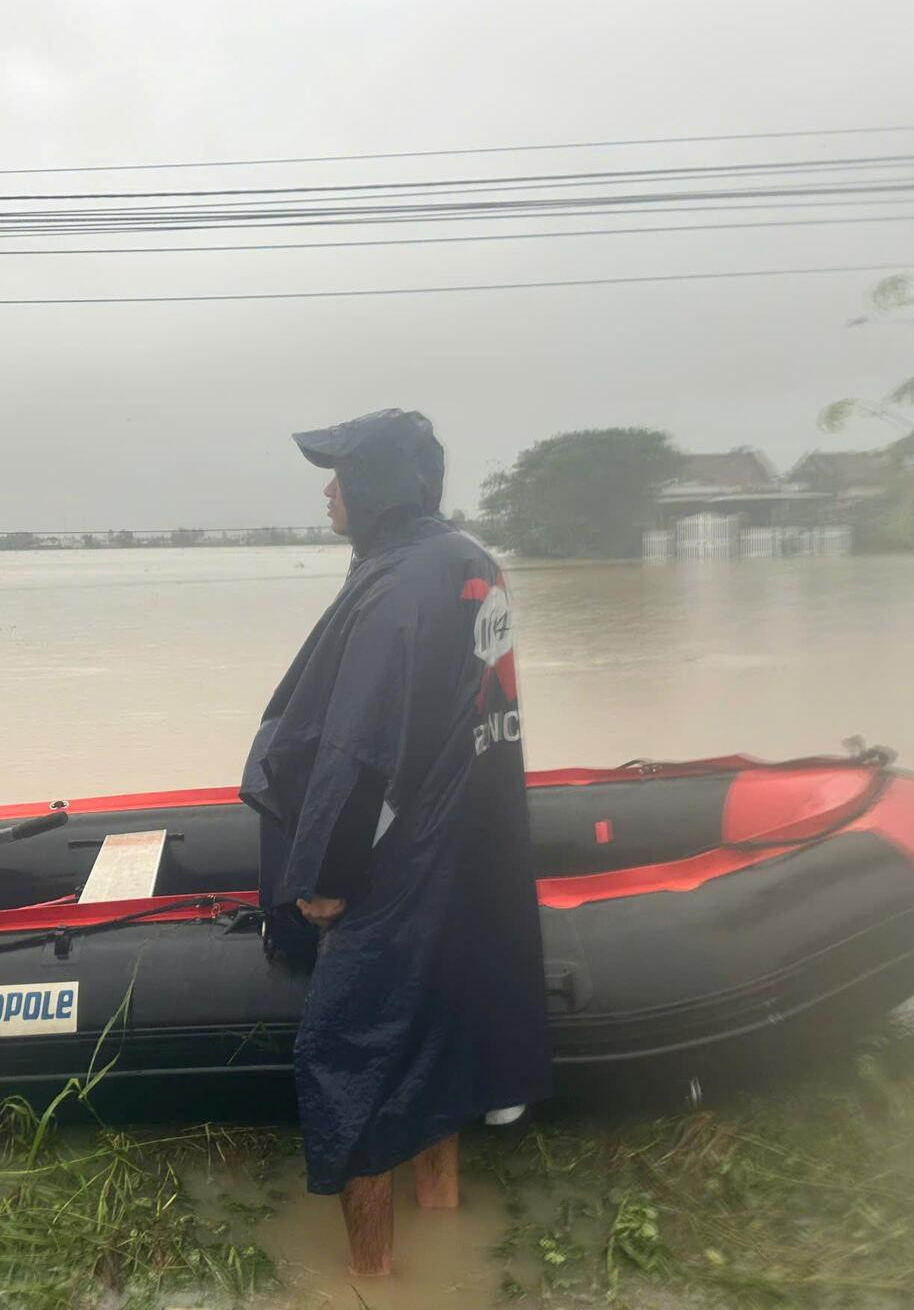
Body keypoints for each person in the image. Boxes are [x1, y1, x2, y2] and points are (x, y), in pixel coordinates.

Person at [240, 408, 553, 1278]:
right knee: (440, 1039)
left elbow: (361, 747)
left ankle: (374, 1281)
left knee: (347, 1054)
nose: (328, 488)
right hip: (474, 850)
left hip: (403, 863)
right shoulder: (468, 562)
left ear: (378, 483)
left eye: (341, 470)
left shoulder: (397, 588)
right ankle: (445, 1224)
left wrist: (329, 878)